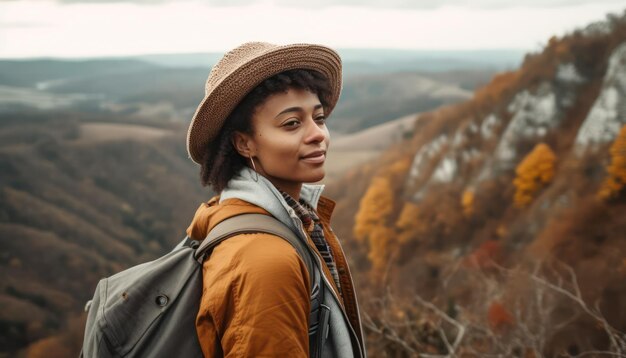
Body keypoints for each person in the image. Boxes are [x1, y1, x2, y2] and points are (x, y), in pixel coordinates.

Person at [184, 42, 366, 357]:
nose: (318, 134)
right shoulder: (264, 261)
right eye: (291, 123)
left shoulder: (284, 221)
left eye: (319, 118)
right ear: (244, 143)